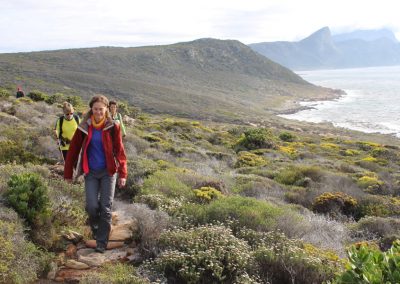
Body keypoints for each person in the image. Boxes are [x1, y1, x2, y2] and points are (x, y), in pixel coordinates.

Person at [64, 95, 127, 253]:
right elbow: (73, 151)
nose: (98, 112)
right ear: (91, 109)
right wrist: (68, 174)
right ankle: (99, 228)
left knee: (105, 207)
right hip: (91, 172)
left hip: (108, 172)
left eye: (101, 109)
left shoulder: (113, 126)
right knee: (92, 206)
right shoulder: (84, 127)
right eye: (95, 109)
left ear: (106, 109)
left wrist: (123, 174)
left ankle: (101, 242)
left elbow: (120, 152)